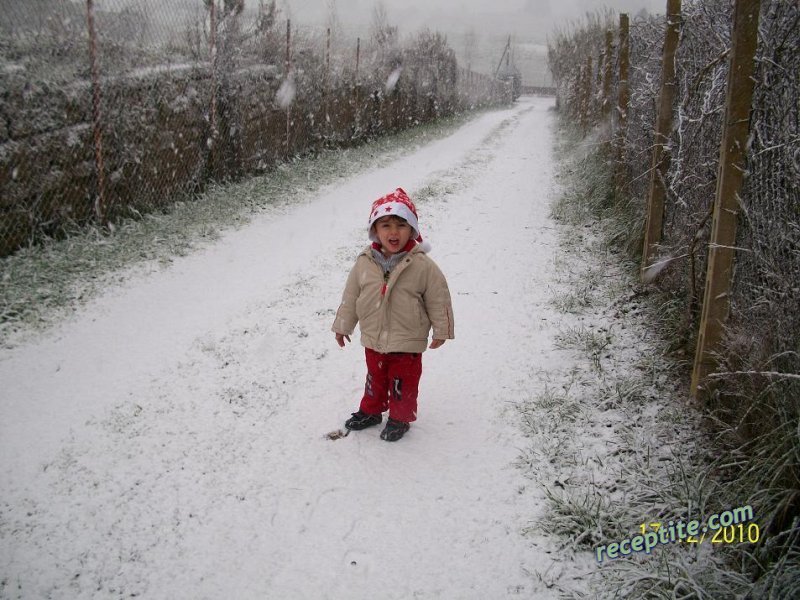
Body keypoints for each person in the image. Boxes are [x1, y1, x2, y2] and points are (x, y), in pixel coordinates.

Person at [332, 188, 455, 441]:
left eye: (401, 225)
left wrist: (442, 329)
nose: (393, 232)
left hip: (407, 339)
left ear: (412, 229)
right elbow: (351, 295)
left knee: (403, 384)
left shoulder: (422, 265)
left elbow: (438, 297)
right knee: (374, 378)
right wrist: (343, 324)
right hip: (374, 337)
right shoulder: (364, 262)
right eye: (385, 225)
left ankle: (400, 418)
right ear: (375, 230)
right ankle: (372, 410)